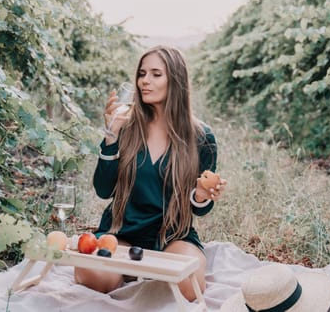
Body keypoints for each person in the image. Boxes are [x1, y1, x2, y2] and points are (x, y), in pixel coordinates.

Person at [74, 45, 227, 301]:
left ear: (175, 81)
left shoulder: (201, 137)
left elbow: (200, 209)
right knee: (90, 276)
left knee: (190, 287)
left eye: (156, 74)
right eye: (142, 73)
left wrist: (200, 196)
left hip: (173, 235)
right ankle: (133, 271)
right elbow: (103, 190)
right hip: (122, 230)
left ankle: (140, 271)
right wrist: (110, 137)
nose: (145, 80)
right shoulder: (127, 126)